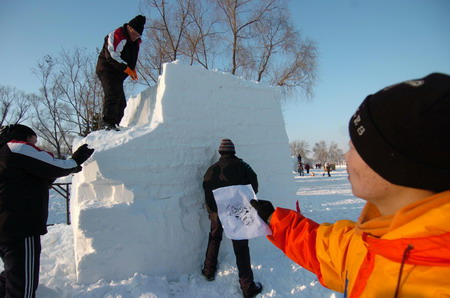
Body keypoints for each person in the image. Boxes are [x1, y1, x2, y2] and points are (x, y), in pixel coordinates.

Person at [250, 73, 450, 297]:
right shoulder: (376, 238)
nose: (346, 156)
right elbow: (324, 249)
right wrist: (275, 221)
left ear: (394, 163)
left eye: (355, 147)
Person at [0, 124, 94, 297]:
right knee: (22, 287)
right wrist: (75, 161)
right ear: (27, 137)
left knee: (11, 275)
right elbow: (51, 165)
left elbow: (27, 179)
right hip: (19, 228)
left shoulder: (4, 154)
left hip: (6, 226)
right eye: (34, 141)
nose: (36, 146)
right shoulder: (17, 147)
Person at [202, 139, 263, 298]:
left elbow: (207, 190)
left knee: (214, 238)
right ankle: (247, 286)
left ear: (221, 152)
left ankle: (208, 271)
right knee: (241, 248)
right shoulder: (243, 167)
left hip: (218, 213)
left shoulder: (212, 169)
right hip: (238, 212)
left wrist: (212, 211)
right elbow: (254, 186)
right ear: (233, 151)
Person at [96, 15, 146, 131]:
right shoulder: (117, 35)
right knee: (112, 94)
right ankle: (108, 124)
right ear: (129, 28)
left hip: (118, 73)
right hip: (107, 69)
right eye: (134, 33)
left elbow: (132, 59)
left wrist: (132, 70)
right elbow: (112, 56)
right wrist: (126, 68)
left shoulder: (136, 42)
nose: (135, 37)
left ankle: (116, 125)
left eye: (138, 35)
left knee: (121, 102)